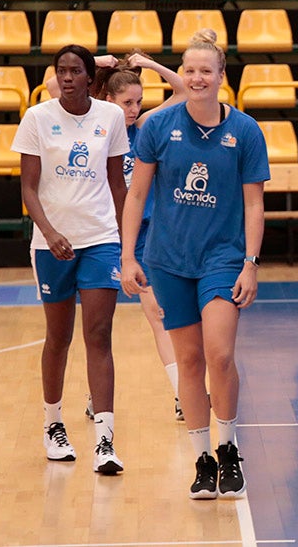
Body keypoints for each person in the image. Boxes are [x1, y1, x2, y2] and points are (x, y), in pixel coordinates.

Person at [120, 29, 268, 500]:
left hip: (223, 259)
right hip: (167, 261)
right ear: (181, 76)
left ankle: (229, 449)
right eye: (190, 70)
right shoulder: (157, 128)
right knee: (188, 359)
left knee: (219, 355)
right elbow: (136, 194)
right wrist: (127, 257)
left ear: (222, 77)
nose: (197, 78)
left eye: (206, 70)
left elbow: (253, 206)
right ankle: (203, 460)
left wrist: (250, 263)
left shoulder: (245, 131)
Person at [11, 44, 130, 474]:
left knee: (98, 336)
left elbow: (118, 185)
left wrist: (126, 243)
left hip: (100, 240)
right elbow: (28, 188)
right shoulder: (37, 118)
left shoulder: (111, 117)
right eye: (60, 70)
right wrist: (49, 232)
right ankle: (53, 424)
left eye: (75, 70)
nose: (66, 77)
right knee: (57, 337)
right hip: (51, 244)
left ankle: (105, 440)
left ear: (88, 78)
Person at [99, 52, 189, 421]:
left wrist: (151, 65)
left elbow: (182, 91)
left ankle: (183, 395)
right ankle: (96, 394)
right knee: (98, 324)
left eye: (138, 101)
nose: (134, 109)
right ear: (108, 100)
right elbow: (56, 84)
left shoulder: (147, 128)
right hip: (103, 234)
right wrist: (95, 61)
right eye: (126, 102)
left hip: (146, 234)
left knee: (157, 313)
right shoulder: (94, 128)